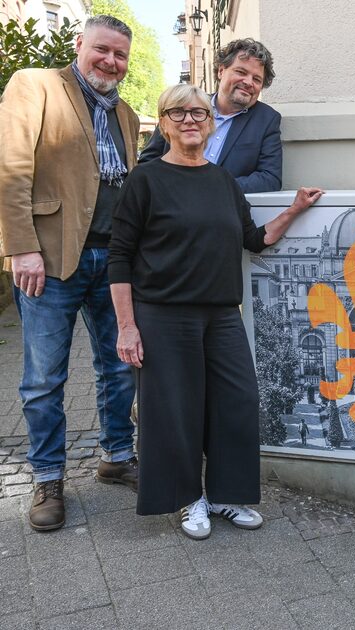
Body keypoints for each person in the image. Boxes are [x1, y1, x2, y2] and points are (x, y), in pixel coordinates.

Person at [108, 84, 323, 540]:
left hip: (222, 314)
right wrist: (127, 326)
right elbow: (120, 256)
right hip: (164, 315)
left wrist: (295, 210)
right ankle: (189, 499)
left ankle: (226, 494)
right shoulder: (144, 179)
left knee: (236, 403)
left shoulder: (221, 179)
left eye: (199, 114)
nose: (190, 120)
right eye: (179, 113)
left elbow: (253, 238)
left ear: (210, 124)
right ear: (164, 124)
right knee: (175, 410)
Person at [0, 15, 140, 532]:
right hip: (51, 260)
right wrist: (21, 249)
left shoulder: (125, 112)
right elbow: (11, 168)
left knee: (120, 365)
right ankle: (48, 477)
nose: (111, 62)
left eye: (121, 56)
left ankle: (116, 456)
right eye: (102, 50)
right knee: (42, 378)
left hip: (114, 262)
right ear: (79, 45)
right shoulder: (35, 85)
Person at [139, 39, 282, 193]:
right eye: (241, 72)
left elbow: (270, 179)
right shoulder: (185, 105)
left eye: (256, 79)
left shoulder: (266, 120)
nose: (248, 82)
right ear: (221, 71)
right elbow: (147, 162)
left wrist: (210, 186)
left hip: (224, 210)